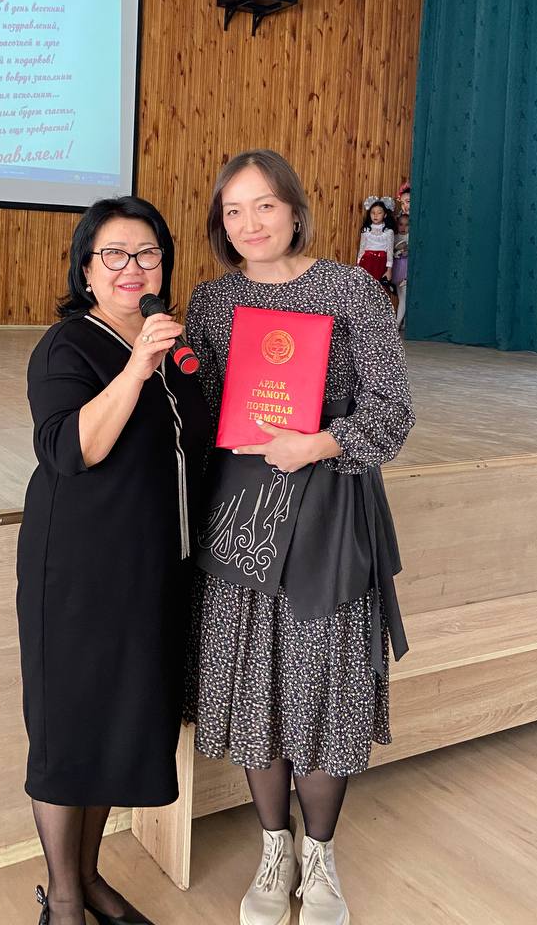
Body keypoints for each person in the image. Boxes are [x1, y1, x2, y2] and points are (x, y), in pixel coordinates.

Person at [184, 151, 414, 925]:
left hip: (328, 511)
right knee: (256, 681)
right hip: (241, 518)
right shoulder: (213, 300)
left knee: (324, 687)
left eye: (264, 206)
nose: (249, 224)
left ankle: (320, 858)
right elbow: (204, 410)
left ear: (294, 209)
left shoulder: (351, 290)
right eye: (233, 211)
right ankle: (272, 848)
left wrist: (316, 443)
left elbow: (392, 411)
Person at [17, 196, 210, 925]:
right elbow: (73, 449)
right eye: (115, 255)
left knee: (117, 724)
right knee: (71, 728)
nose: (134, 268)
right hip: (79, 570)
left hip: (154, 568)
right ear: (87, 270)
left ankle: (90, 877)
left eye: (148, 253)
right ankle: (64, 898)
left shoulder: (176, 346)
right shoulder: (67, 347)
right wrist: (136, 368)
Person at [357, 196, 397, 282]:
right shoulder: (366, 230)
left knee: (379, 285)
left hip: (381, 262)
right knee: (365, 284)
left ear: (385, 215)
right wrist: (358, 265)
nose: (375, 215)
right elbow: (362, 249)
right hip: (366, 261)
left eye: (379, 213)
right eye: (373, 212)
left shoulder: (388, 232)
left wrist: (389, 270)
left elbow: (390, 251)